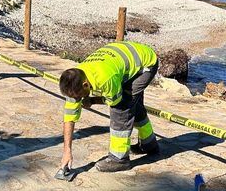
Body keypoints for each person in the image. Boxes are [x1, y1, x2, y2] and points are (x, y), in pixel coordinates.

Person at [59, 41, 160, 172]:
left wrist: (92, 100)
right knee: (135, 105)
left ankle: (119, 159)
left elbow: (115, 101)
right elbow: (69, 117)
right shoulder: (74, 81)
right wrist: (67, 151)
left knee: (122, 108)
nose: (78, 99)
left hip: (146, 64)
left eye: (79, 96)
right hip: (123, 59)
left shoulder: (106, 79)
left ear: (85, 85)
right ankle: (149, 144)